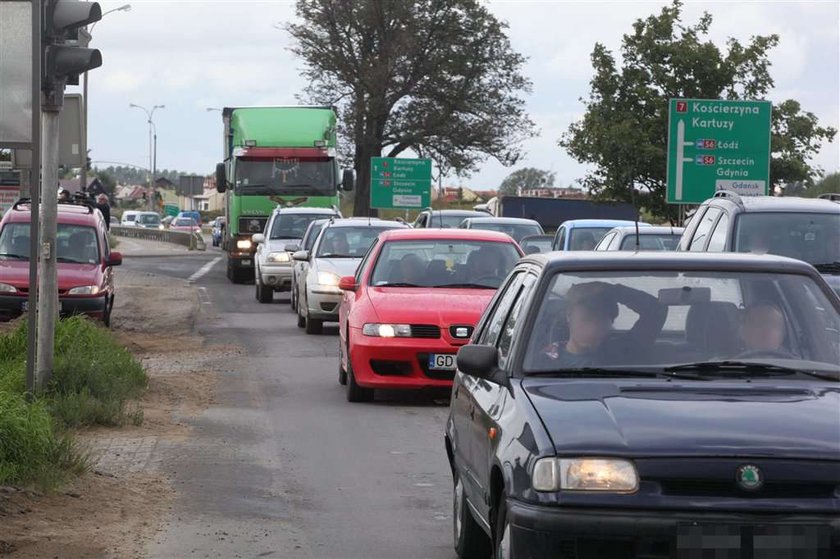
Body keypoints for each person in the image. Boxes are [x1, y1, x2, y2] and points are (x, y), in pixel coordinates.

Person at [536, 281, 666, 369]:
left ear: (611, 323)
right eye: (586, 318)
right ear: (569, 316)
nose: (593, 328)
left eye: (601, 321)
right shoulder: (543, 361)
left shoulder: (624, 352)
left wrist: (610, 290)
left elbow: (655, 310)